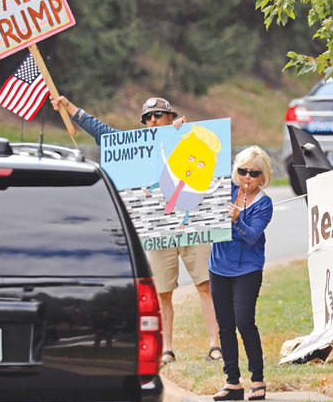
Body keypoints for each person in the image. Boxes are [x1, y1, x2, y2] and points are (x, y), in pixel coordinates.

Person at [51, 95, 221, 365]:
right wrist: (70, 108)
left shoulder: (184, 136)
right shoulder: (135, 146)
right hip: (157, 228)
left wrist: (183, 130)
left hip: (192, 223)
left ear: (170, 117)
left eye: (158, 115)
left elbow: (207, 149)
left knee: (204, 285)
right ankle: (167, 349)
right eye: (148, 117)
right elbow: (102, 132)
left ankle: (215, 345)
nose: (153, 120)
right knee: (163, 291)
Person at [210, 146, 273, 401]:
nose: (247, 177)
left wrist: (237, 218)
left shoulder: (264, 204)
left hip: (247, 269)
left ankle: (257, 378)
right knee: (224, 325)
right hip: (218, 267)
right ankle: (232, 381)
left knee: (244, 321)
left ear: (263, 176)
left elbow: (251, 236)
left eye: (254, 173)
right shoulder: (224, 191)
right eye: (243, 171)